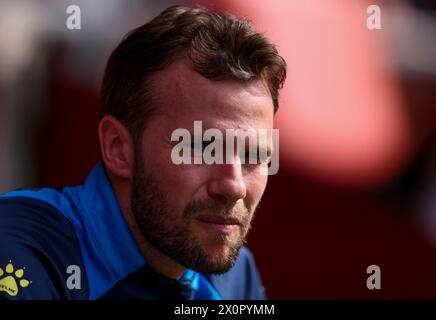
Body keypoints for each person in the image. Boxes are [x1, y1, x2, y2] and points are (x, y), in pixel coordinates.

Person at [0, 5, 286, 300]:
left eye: (254, 156)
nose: (234, 185)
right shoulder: (20, 248)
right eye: (203, 148)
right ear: (118, 148)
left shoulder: (235, 275)